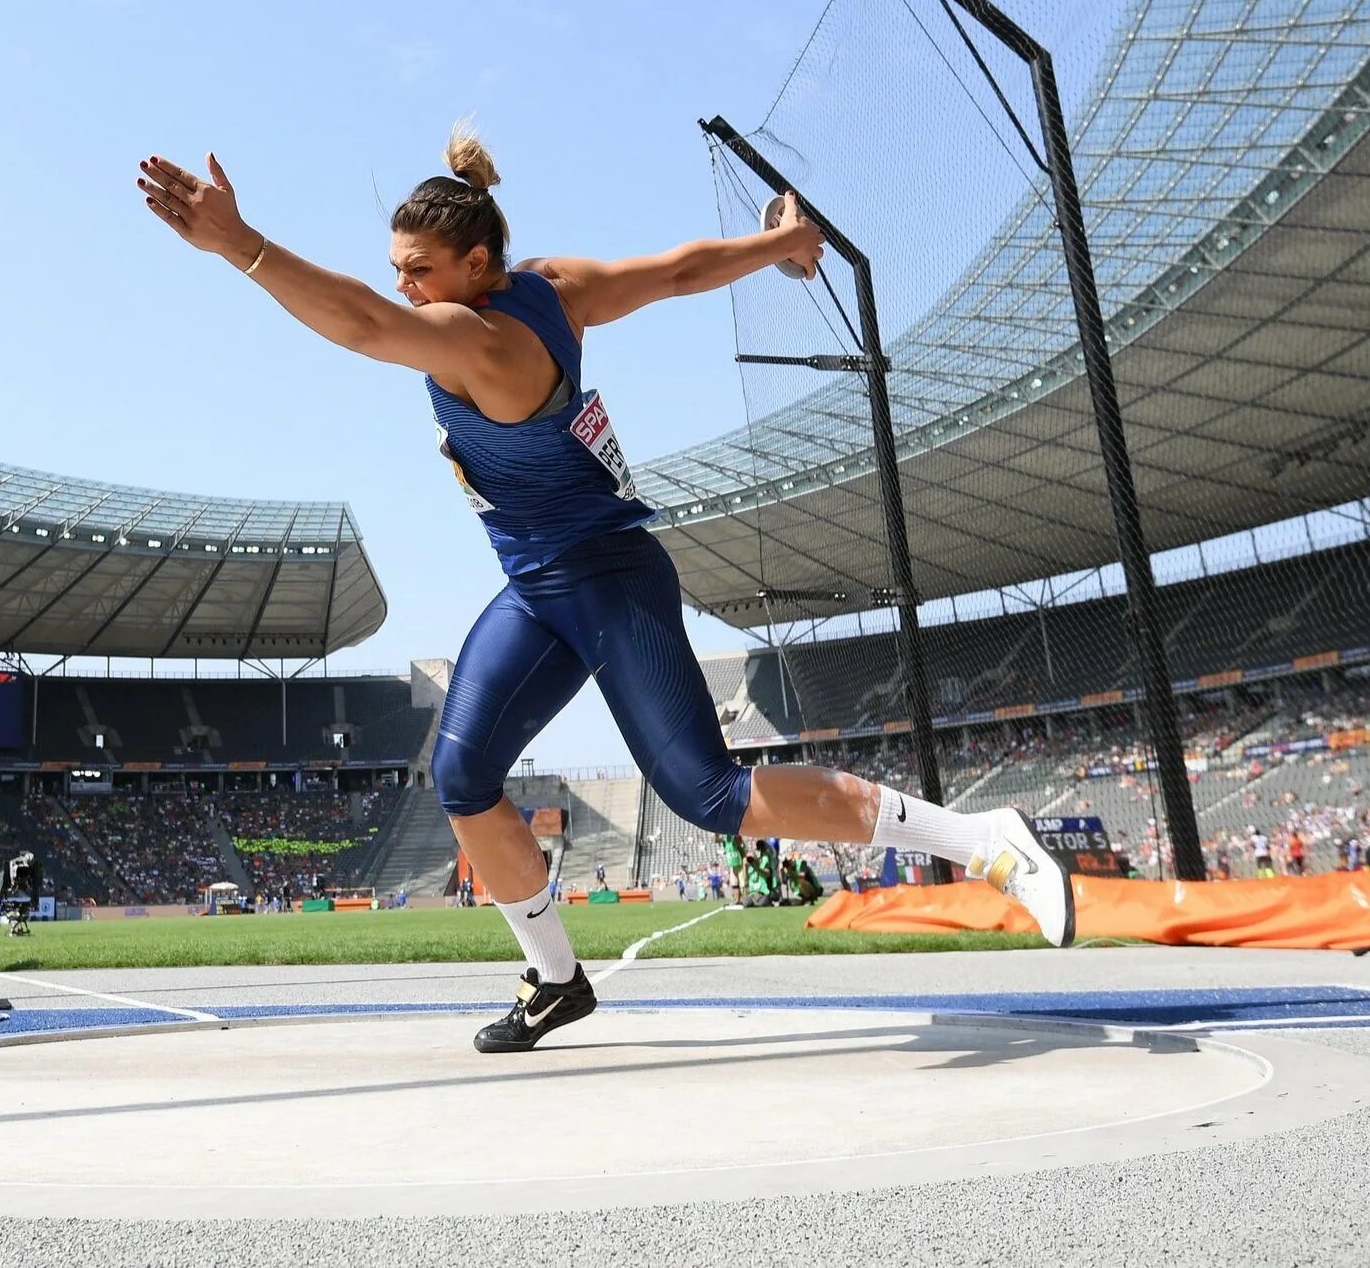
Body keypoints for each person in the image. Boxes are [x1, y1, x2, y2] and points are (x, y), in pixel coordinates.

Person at [138, 127, 1074, 1055]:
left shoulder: (477, 338)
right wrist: (781, 245)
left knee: (710, 795)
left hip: (610, 582)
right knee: (463, 779)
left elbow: (360, 325)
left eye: (416, 269)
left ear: (474, 264)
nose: (402, 287)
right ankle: (556, 980)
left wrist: (239, 245)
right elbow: (675, 272)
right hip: (538, 589)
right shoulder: (554, 286)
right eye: (395, 267)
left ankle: (984, 840)